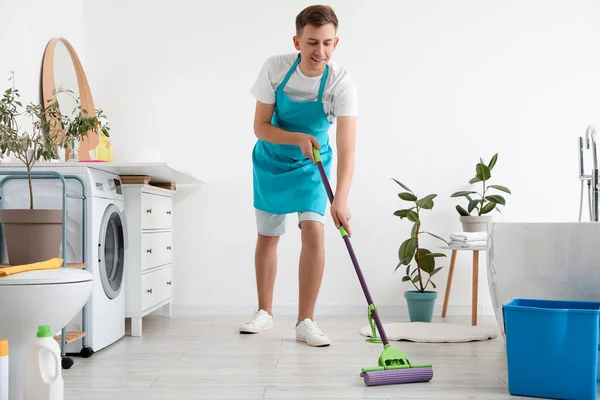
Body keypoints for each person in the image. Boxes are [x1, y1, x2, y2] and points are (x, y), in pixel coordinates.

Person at [240, 4, 357, 347]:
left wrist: (341, 199)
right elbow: (260, 126)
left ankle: (305, 321)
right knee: (269, 234)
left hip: (313, 165)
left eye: (327, 43)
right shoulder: (275, 69)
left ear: (336, 43)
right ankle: (264, 312)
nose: (319, 51)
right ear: (297, 41)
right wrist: (295, 138)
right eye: (311, 43)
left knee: (314, 234)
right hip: (271, 161)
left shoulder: (341, 82)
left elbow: (348, 146)